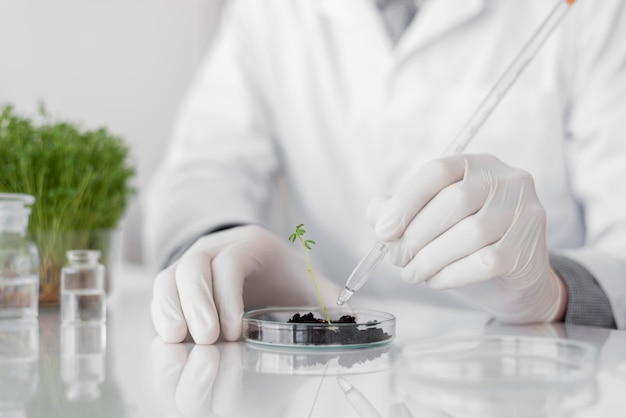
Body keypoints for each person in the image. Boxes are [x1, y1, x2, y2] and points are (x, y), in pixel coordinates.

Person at [143, 0, 626, 344]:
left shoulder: (590, 11)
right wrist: (222, 248)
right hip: (332, 369)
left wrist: (554, 291)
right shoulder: (269, 11)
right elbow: (204, 169)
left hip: (531, 369)